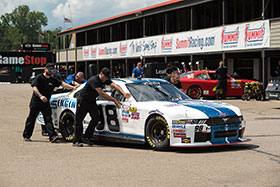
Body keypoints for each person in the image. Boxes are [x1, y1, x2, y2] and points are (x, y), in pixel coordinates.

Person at [73, 67, 131, 147]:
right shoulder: (95, 80)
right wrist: (114, 100)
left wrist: (123, 93)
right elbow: (102, 93)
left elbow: (114, 85)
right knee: (79, 120)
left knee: (96, 118)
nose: (105, 80)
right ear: (101, 74)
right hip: (83, 100)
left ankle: (87, 137)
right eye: (104, 77)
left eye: (107, 78)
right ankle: (76, 140)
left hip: (92, 101)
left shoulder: (105, 78)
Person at [23, 63, 77, 143]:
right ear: (45, 69)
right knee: (31, 119)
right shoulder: (39, 78)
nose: (51, 70)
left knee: (48, 119)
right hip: (36, 102)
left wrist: (74, 88)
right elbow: (34, 88)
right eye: (49, 69)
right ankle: (27, 135)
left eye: (52, 69)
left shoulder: (53, 79)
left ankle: (52, 136)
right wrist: (41, 96)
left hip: (45, 103)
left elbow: (63, 84)